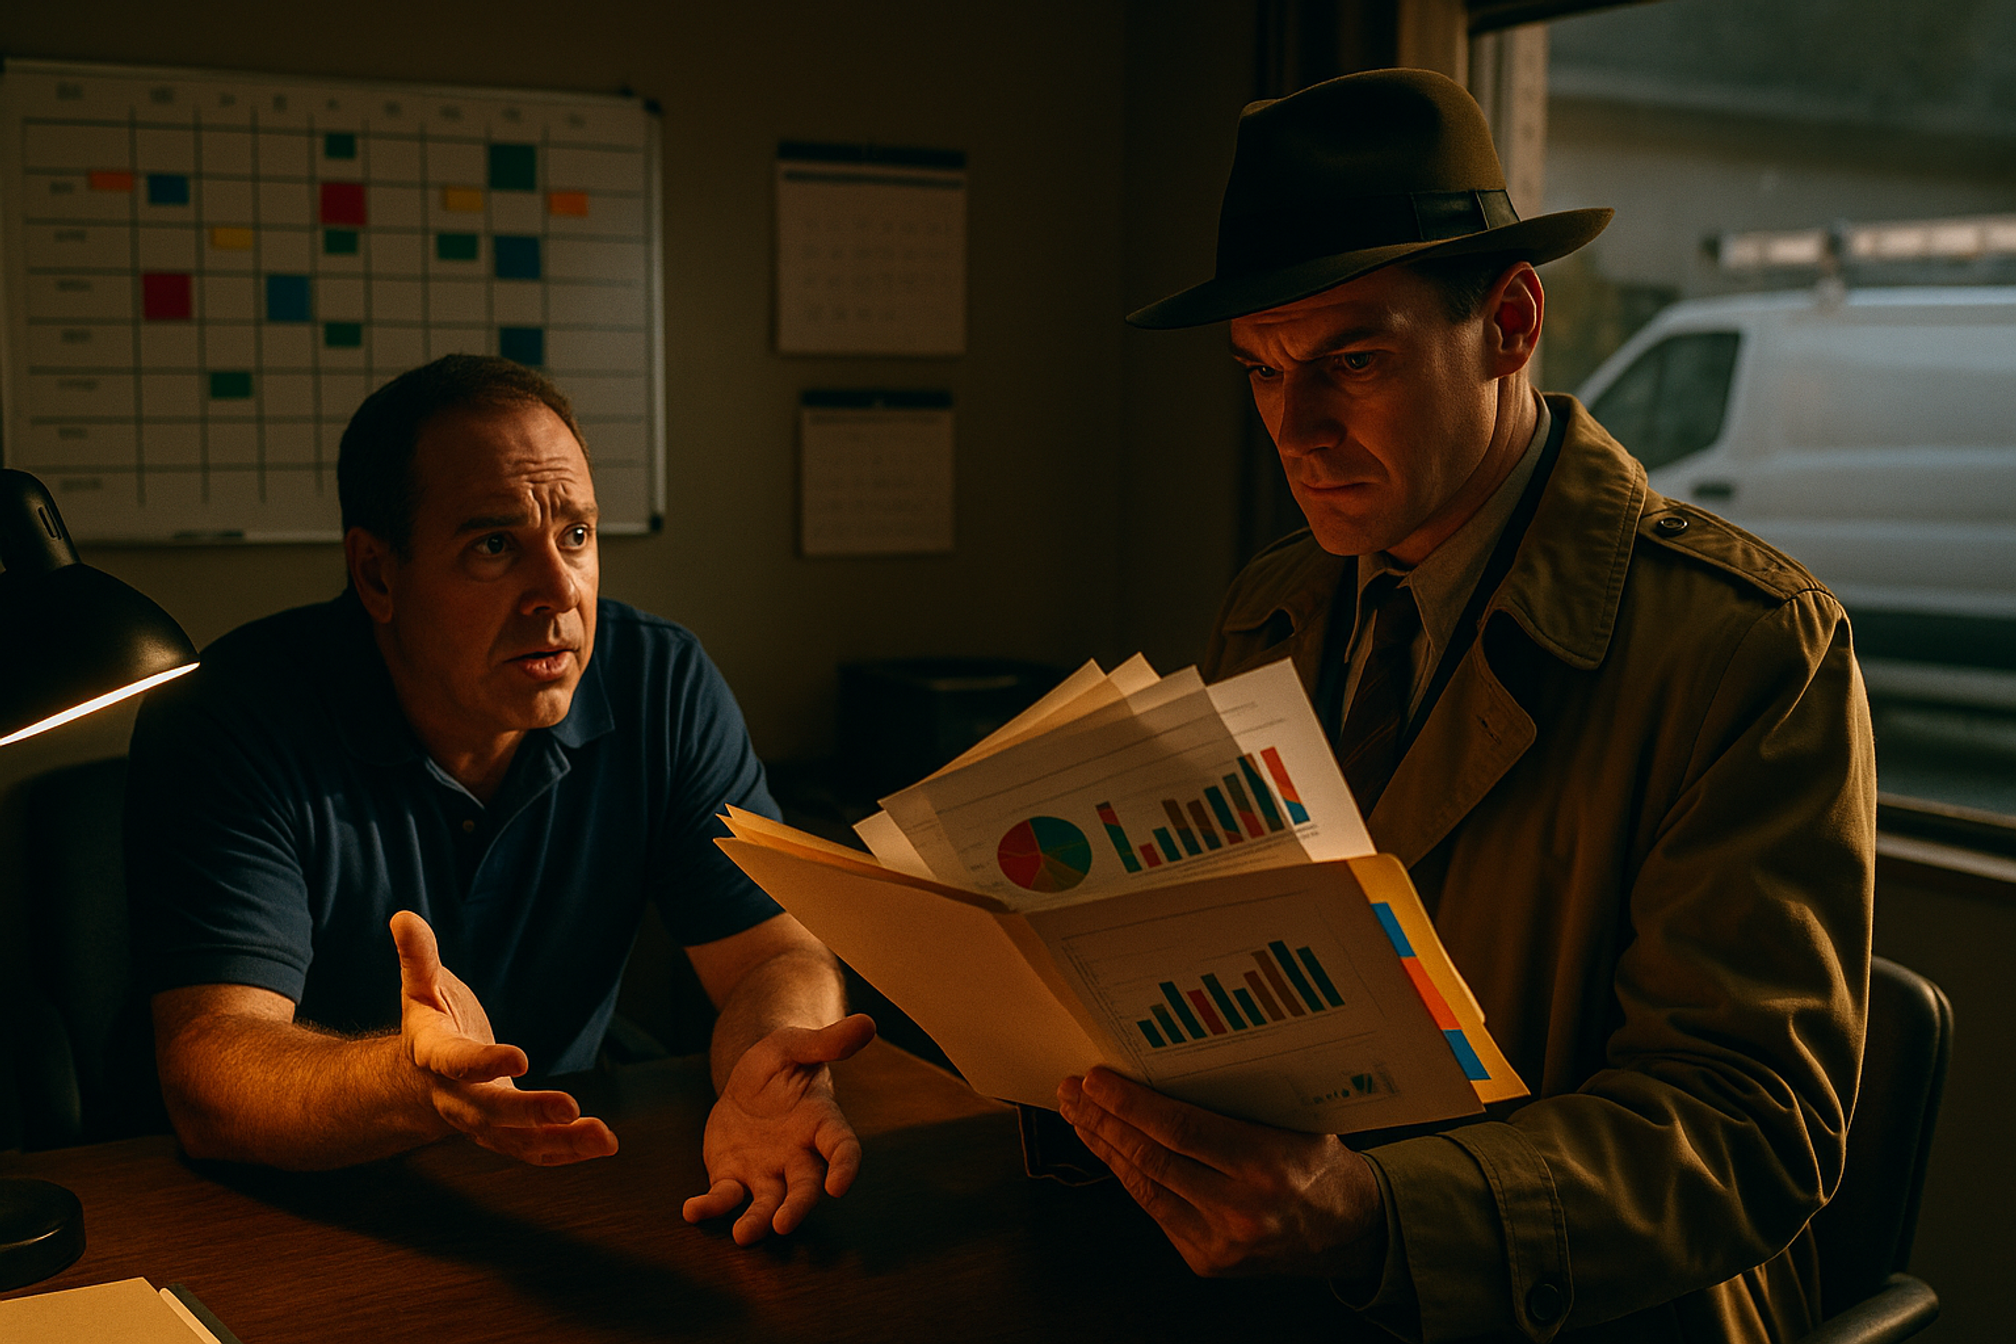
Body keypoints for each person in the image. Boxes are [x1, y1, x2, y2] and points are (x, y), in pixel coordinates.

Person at [1054, 70, 1872, 1342]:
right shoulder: (1269, 608)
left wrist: (1384, 1212)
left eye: (1354, 360)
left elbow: (1746, 1127)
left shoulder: (1746, 648)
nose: (1298, 428)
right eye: (1261, 371)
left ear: (1510, 322)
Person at [126, 354, 874, 1247]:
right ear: (377, 575)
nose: (559, 593)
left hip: (559, 1181)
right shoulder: (231, 715)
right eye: (493, 545)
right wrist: (414, 1086)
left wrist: (772, 1061)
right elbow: (212, 1070)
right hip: (269, 1208)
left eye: (578, 537)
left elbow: (767, 955)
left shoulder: (659, 683)